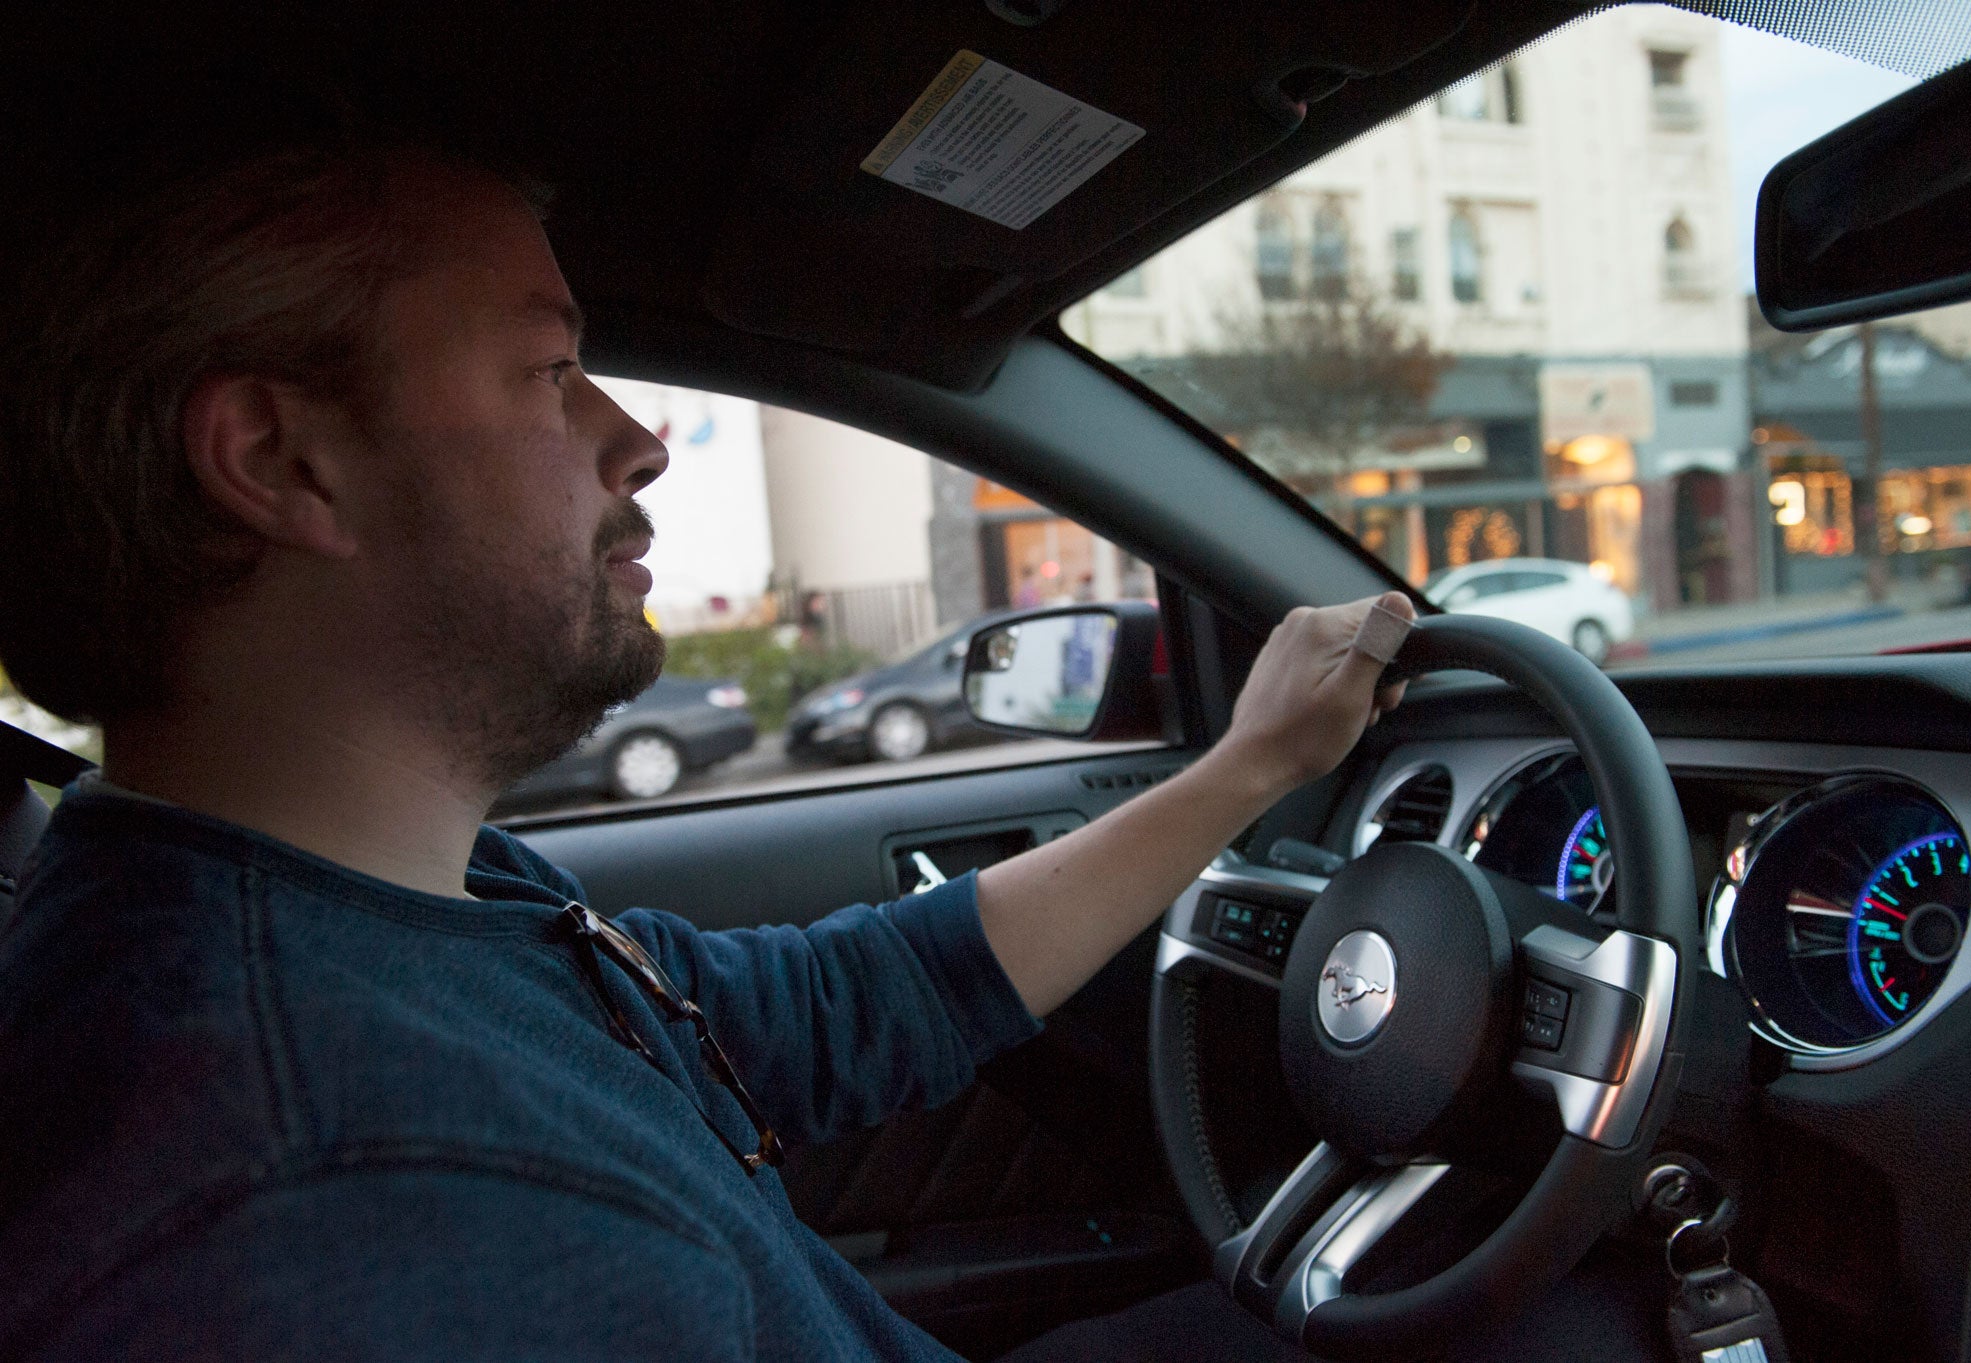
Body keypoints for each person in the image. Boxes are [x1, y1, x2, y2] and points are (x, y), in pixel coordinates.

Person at [0, 134, 1419, 1360]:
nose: (639, 440)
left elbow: (837, 1008)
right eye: (550, 368)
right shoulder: (354, 1213)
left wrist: (1249, 765)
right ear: (278, 461)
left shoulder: (404, 902)